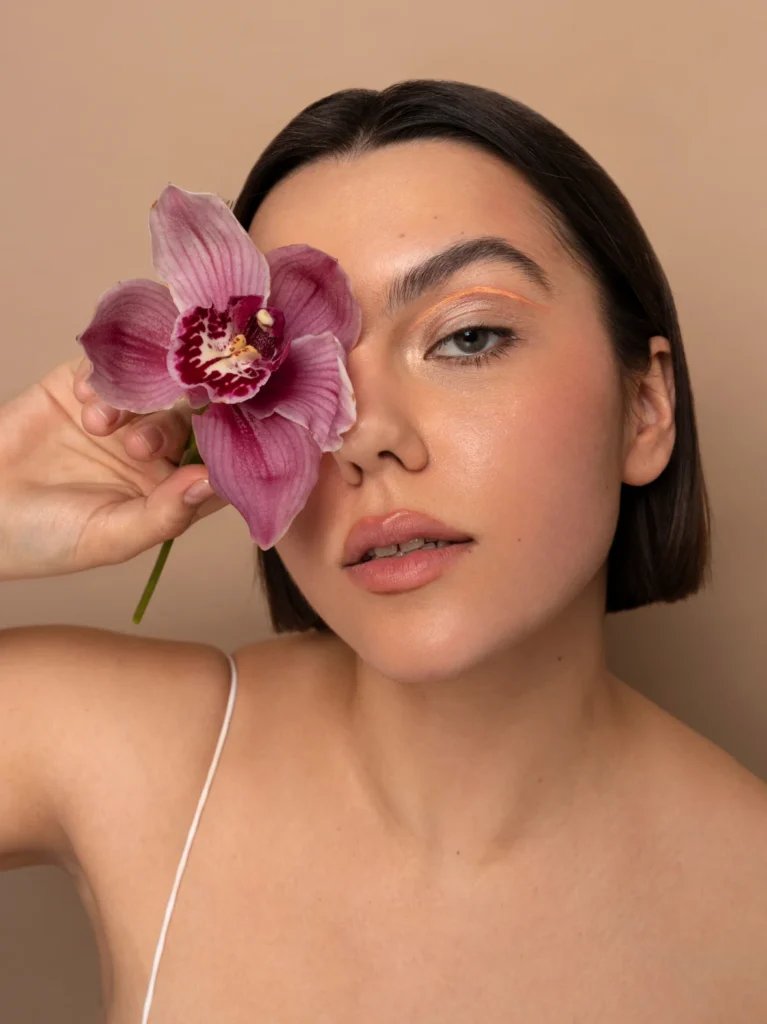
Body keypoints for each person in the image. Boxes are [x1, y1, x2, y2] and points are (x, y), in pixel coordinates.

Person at [1, 79, 766, 1023]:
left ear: (644, 408)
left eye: (467, 337)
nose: (363, 435)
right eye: (299, 373)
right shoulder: (130, 756)